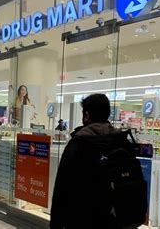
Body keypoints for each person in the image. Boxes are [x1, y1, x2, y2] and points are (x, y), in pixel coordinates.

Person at [50, 94, 147, 229]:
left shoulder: (79, 145)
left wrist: (56, 224)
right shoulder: (123, 142)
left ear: (87, 115)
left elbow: (62, 188)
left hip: (83, 220)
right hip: (117, 219)